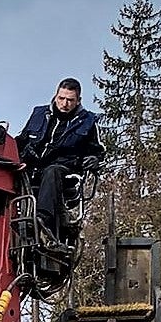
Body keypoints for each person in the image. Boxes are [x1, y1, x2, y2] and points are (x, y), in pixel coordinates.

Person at [15, 78, 105, 242]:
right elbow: (21, 140)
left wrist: (94, 160)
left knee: (52, 171)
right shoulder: (39, 114)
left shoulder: (87, 122)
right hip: (32, 167)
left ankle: (42, 219)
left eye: (70, 100)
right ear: (56, 96)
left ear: (78, 101)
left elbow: (96, 151)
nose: (64, 104)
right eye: (61, 98)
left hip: (64, 170)